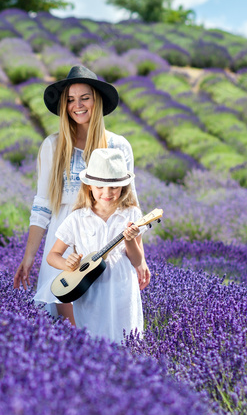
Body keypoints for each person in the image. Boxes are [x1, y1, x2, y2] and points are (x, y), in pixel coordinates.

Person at [13, 65, 150, 321]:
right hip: (64, 242)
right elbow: (42, 206)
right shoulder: (53, 146)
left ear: (96, 101)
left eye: (84, 97)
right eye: (70, 100)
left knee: (108, 321)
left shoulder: (119, 145)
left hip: (108, 240)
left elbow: (130, 206)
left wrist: (140, 260)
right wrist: (29, 257)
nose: (78, 105)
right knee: (71, 327)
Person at [45, 148, 147, 342]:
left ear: (123, 187)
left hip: (122, 287)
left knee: (125, 337)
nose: (106, 193)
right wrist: (67, 263)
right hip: (90, 291)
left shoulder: (132, 214)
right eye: (100, 186)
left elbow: (137, 259)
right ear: (89, 186)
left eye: (113, 187)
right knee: (93, 340)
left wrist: (129, 239)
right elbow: (53, 255)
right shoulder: (77, 218)